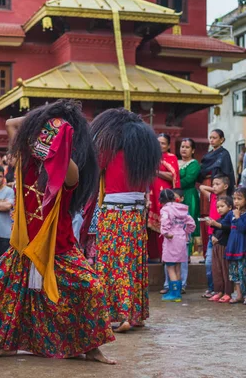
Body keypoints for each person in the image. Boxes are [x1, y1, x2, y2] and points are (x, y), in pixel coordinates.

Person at [0, 99, 115, 364]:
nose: (48, 139)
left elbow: (63, 161)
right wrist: (49, 117)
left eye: (53, 137)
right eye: (45, 135)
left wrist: (62, 138)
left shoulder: (71, 172)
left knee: (91, 289)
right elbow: (12, 124)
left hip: (60, 248)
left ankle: (92, 349)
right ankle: (6, 344)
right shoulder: (25, 163)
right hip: (23, 247)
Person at [90, 108, 161, 332]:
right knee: (133, 262)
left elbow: (93, 170)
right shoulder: (144, 157)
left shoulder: (109, 151)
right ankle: (134, 313)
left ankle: (119, 315)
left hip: (113, 214)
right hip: (136, 214)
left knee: (113, 263)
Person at [148, 133, 181, 262]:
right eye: (158, 142)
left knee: (165, 223)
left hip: (165, 195)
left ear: (168, 146)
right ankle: (153, 255)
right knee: (151, 226)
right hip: (151, 194)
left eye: (163, 143)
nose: (160, 145)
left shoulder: (171, 157)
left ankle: (165, 256)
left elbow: (173, 176)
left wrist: (156, 172)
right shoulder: (151, 157)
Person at [160, 189, 196, 302]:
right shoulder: (182, 208)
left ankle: (174, 293)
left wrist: (165, 232)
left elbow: (165, 222)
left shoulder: (165, 209)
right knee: (178, 267)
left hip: (171, 239)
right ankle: (178, 292)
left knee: (170, 267)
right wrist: (186, 232)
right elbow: (191, 223)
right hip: (181, 239)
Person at [199, 174, 230, 299]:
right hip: (212, 236)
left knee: (223, 265)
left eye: (217, 184)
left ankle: (225, 290)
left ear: (226, 186)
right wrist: (215, 189)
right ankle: (213, 289)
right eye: (213, 184)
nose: (214, 187)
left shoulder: (230, 200)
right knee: (209, 264)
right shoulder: (213, 197)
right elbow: (201, 187)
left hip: (223, 237)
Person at [225, 187, 246, 305]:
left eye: (239, 199)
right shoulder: (231, 213)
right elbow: (224, 225)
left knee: (244, 272)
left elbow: (243, 229)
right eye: (234, 199)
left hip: (243, 248)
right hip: (232, 248)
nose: (236, 201)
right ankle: (239, 294)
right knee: (234, 273)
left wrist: (237, 217)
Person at [178, 138, 201, 256]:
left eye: (187, 147)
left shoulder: (194, 164)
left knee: (188, 220)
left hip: (189, 195)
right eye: (182, 146)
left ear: (192, 150)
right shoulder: (176, 162)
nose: (184, 149)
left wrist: (172, 182)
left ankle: (188, 251)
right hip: (176, 196)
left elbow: (188, 180)